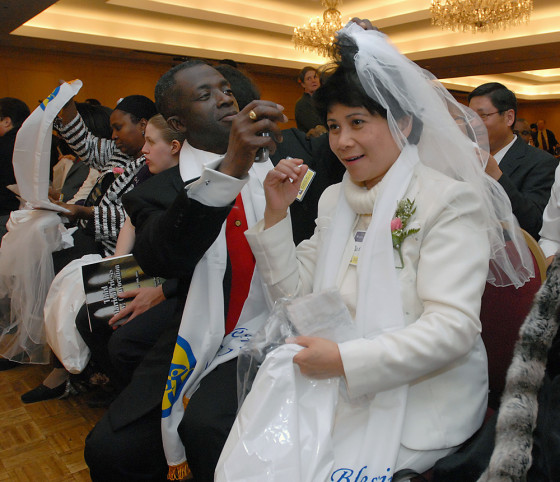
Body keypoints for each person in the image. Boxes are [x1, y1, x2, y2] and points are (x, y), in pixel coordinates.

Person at [234, 23, 532, 478]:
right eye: (334, 126)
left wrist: (346, 361)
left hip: (421, 397)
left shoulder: (448, 200)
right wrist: (276, 217)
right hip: (332, 373)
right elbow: (293, 300)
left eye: (358, 123)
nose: (342, 141)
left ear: (402, 123)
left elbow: (452, 328)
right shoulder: (336, 197)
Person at [82, 59, 343, 482]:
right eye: (204, 95)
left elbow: (352, 142)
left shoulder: (290, 148)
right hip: (205, 326)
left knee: (208, 427)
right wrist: (232, 167)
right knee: (110, 449)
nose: (223, 98)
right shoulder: (159, 191)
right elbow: (164, 257)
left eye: (225, 89)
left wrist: (353, 63)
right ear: (177, 123)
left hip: (293, 317)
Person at [20, 114, 185, 404]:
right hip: (135, 262)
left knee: (98, 321)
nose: (144, 149)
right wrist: (117, 267)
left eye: (150, 141)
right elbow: (130, 221)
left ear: (174, 146)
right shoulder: (146, 172)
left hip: (166, 277)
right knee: (79, 304)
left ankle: (121, 390)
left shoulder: (186, 183)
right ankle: (105, 381)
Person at [53, 93, 157, 260]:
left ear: (142, 125)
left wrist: (85, 212)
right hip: (90, 238)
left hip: (117, 252)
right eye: (112, 129)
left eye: (118, 127)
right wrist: (67, 105)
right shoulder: (119, 151)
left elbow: (136, 219)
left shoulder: (158, 163)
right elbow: (85, 144)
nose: (113, 135)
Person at [468, 83, 557, 239]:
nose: (473, 124)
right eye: (470, 117)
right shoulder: (466, 157)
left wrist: (497, 175)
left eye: (482, 116)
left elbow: (535, 224)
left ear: (509, 117)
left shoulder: (541, 162)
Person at [0, 97, 30, 234]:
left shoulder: (4, 145)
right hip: (29, 216)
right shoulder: (36, 143)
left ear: (7, 121)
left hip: (4, 215)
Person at [294, 66, 327, 138]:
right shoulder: (302, 104)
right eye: (309, 78)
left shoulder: (326, 100)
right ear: (303, 84)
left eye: (315, 77)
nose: (313, 80)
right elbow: (316, 127)